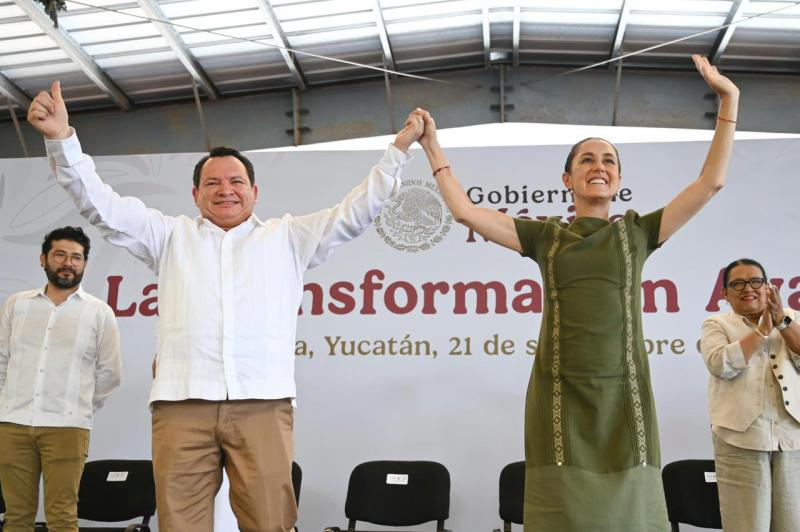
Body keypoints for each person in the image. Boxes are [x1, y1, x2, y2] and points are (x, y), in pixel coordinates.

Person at [26, 80, 424, 532]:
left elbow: (354, 213)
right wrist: (62, 140)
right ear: (195, 195)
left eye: (236, 182)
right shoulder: (169, 236)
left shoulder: (288, 237)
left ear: (255, 191)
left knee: (270, 522)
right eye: (212, 183)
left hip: (263, 401)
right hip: (182, 403)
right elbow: (102, 206)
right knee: (181, 524)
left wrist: (397, 152)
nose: (225, 190)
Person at [413, 55, 739, 531]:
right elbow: (465, 211)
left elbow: (711, 182)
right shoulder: (545, 236)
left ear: (619, 180)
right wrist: (432, 145)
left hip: (625, 394)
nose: (598, 166)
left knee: (628, 514)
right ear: (568, 179)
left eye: (608, 160)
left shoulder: (637, 233)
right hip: (558, 393)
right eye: (586, 159)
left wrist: (729, 99)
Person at [0, 226, 122, 532]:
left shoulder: (99, 312)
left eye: (76, 257)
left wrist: (78, 405)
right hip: (13, 423)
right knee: (16, 517)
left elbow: (110, 372)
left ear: (84, 264)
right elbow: (2, 360)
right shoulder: (17, 304)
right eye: (60, 255)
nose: (68, 263)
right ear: (43, 259)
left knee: (62, 517)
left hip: (68, 426)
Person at [700, 259, 800, 532]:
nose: (748, 288)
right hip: (740, 438)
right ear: (724, 294)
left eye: (756, 281)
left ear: (768, 287)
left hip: (792, 438)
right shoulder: (716, 324)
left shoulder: (792, 317)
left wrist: (782, 322)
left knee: (793, 524)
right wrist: (761, 331)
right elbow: (719, 364)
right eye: (738, 284)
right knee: (747, 525)